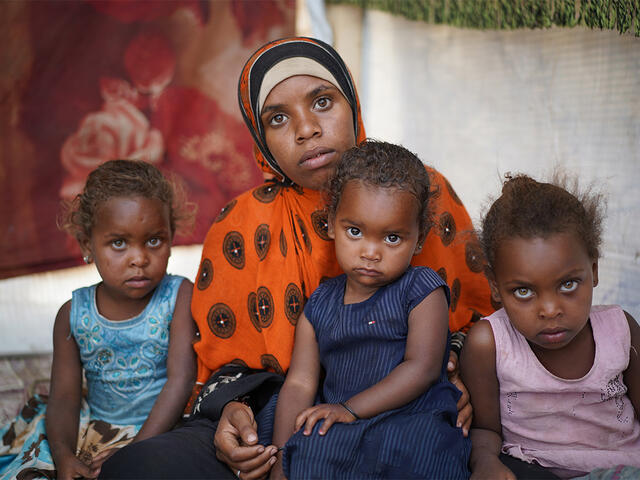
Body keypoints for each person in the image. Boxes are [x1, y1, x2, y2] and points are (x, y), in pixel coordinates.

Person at [100, 37, 492, 480]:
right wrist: (235, 412)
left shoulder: (422, 191)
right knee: (137, 469)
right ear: (259, 138)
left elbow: (480, 316)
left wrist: (455, 369)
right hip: (280, 417)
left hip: (403, 412)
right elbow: (223, 364)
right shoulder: (241, 226)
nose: (306, 129)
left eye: (323, 101)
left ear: (352, 105)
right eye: (279, 118)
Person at [269, 140, 470, 479]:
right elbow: (300, 383)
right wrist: (281, 457)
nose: (371, 252)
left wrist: (351, 408)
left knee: (422, 451)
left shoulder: (422, 290)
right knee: (308, 446)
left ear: (419, 239)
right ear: (331, 224)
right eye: (356, 231)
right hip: (341, 425)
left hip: (411, 419)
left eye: (392, 238)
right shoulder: (320, 304)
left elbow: (421, 368)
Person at [0, 160, 197, 480]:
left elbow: (181, 380)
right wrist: (64, 456)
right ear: (87, 245)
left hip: (162, 429)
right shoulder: (72, 315)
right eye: (119, 243)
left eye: (154, 240)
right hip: (92, 428)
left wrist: (136, 451)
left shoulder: (178, 296)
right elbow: (65, 397)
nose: (139, 258)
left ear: (172, 239)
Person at [460, 173, 640, 479]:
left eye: (568, 284)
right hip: (534, 467)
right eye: (523, 291)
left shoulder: (620, 330)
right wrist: (485, 462)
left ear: (593, 270)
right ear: (494, 285)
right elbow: (485, 430)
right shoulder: (489, 343)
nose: (550, 310)